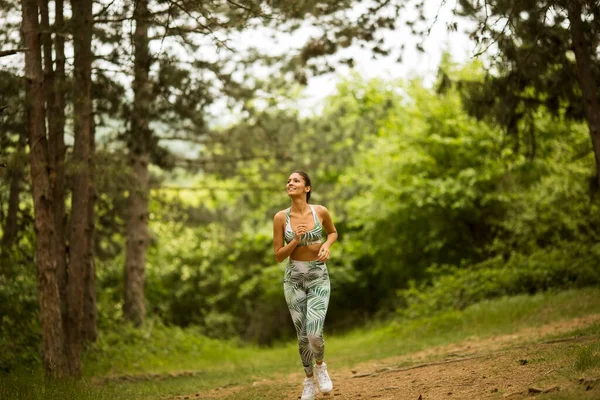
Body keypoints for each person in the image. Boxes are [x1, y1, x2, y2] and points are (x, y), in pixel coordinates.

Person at [273, 170, 338, 400]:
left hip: (318, 276)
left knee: (314, 333)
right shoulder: (281, 217)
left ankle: (320, 365)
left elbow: (332, 233)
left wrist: (327, 246)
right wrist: (296, 241)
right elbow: (279, 256)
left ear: (307, 188)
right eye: (288, 180)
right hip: (294, 280)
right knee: (302, 336)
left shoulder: (320, 211)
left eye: (296, 180)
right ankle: (309, 379)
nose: (290, 183)